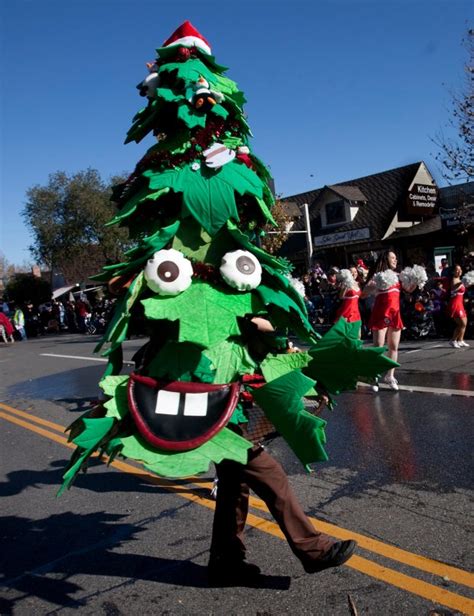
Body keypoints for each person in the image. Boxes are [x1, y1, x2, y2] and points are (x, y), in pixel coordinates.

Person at [208, 316, 356, 586]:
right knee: (271, 478)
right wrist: (273, 331)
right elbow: (261, 327)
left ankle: (225, 563)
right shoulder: (227, 307)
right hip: (221, 412)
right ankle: (314, 550)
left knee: (233, 488)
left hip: (223, 411)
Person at [364, 251, 402, 391]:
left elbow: (409, 289)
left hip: (395, 313)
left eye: (396, 258)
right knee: (379, 346)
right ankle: (374, 376)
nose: (395, 260)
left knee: (394, 346)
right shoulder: (378, 276)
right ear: (385, 259)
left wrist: (416, 281)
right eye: (392, 257)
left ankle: (390, 376)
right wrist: (374, 285)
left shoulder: (399, 276)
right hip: (381, 313)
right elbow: (364, 293)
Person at [447, 264, 469, 348]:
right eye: (457, 270)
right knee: (462, 324)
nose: (459, 271)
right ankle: (453, 340)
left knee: (465, 323)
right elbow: (454, 287)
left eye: (460, 269)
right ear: (453, 272)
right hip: (455, 304)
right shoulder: (454, 280)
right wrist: (462, 283)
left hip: (460, 304)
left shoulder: (460, 279)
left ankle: (460, 340)